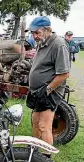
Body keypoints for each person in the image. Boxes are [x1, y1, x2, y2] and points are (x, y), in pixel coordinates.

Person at [25, 16, 70, 154]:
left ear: (48, 30)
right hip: (38, 90)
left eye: (37, 32)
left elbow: (64, 74)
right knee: (35, 121)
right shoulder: (42, 42)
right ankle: (34, 151)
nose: (34, 36)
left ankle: (45, 159)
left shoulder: (58, 44)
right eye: (32, 33)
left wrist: (48, 90)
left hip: (49, 92)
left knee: (44, 126)